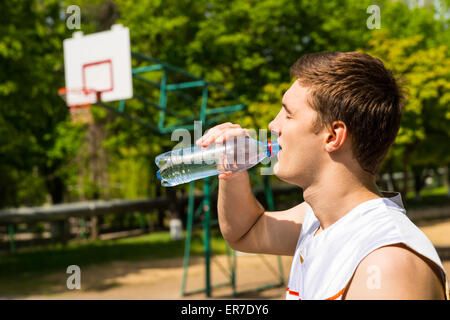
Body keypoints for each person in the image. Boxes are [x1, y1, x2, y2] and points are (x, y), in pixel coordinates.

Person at [196, 52, 448, 300]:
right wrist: (232, 171)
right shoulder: (320, 219)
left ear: (332, 136)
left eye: (288, 113)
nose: (273, 125)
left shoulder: (387, 265)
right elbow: (245, 232)